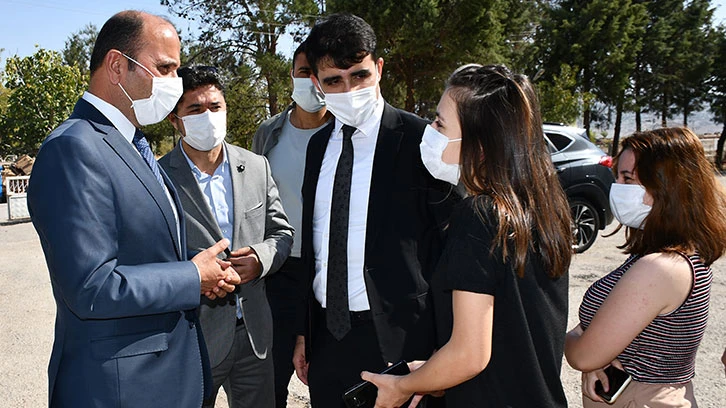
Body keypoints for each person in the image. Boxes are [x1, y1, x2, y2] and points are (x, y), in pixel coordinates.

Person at [26, 11, 241, 407]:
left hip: (159, 380)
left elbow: (140, 249)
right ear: (116, 66)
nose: (175, 84)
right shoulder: (73, 148)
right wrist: (190, 276)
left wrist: (199, 270)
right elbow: (92, 287)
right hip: (120, 389)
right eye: (164, 68)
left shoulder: (132, 145)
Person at [362, 64, 573, 407]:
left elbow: (470, 354)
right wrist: (428, 374)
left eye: (440, 123)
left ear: (481, 144)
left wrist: (401, 388)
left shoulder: (480, 214)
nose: (429, 130)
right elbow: (507, 330)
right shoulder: (539, 208)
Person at [293, 13, 459, 408]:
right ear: (316, 83)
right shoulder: (317, 147)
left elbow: (450, 249)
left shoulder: (422, 140)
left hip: (403, 342)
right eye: (335, 80)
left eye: (360, 75)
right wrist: (305, 332)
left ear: (379, 68)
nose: (349, 89)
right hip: (327, 340)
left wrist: (444, 352)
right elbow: (317, 246)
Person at [159, 65, 294, 408]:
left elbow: (281, 233)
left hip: (254, 336)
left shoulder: (256, 165)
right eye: (195, 109)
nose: (208, 116)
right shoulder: (157, 178)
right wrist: (193, 275)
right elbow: (152, 254)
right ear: (175, 120)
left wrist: (260, 259)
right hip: (192, 336)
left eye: (215, 107)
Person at [565, 127, 726, 407]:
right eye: (617, 176)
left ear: (667, 186)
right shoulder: (668, 254)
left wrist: (572, 341)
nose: (617, 186)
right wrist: (585, 342)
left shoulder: (660, 268)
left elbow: (583, 356)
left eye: (628, 178)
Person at [251, 40, 333, 408]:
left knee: (332, 379)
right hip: (280, 272)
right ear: (292, 75)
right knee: (270, 381)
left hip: (332, 273)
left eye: (321, 74)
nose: (312, 81)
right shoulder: (268, 133)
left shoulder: (344, 134)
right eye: (304, 73)